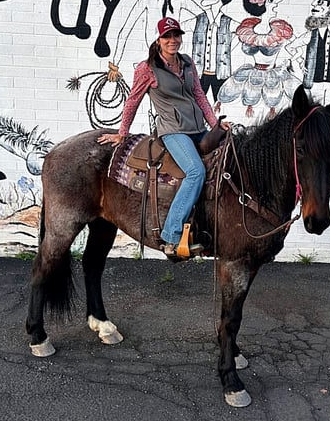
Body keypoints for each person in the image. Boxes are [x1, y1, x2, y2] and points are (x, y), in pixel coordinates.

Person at [97, 17, 232, 257]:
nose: (173, 40)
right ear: (159, 40)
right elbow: (133, 101)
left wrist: (215, 126)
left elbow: (199, 95)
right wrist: (121, 133)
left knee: (229, 155)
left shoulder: (188, 63)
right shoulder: (147, 68)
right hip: (173, 131)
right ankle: (171, 236)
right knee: (195, 171)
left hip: (197, 128)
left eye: (176, 36)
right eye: (167, 36)